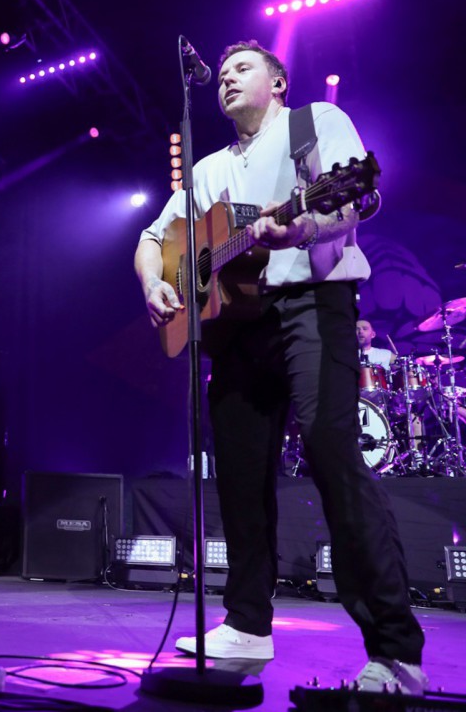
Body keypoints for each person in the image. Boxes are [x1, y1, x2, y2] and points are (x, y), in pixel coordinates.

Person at [134, 41, 427, 693]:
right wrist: (155, 282)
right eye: (223, 73)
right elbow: (154, 239)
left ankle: (395, 650)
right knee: (238, 477)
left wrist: (298, 228)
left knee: (331, 455)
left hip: (312, 301)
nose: (228, 79)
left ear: (279, 79)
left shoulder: (311, 123)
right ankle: (245, 626)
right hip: (236, 327)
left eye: (244, 68)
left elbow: (352, 197)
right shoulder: (207, 169)